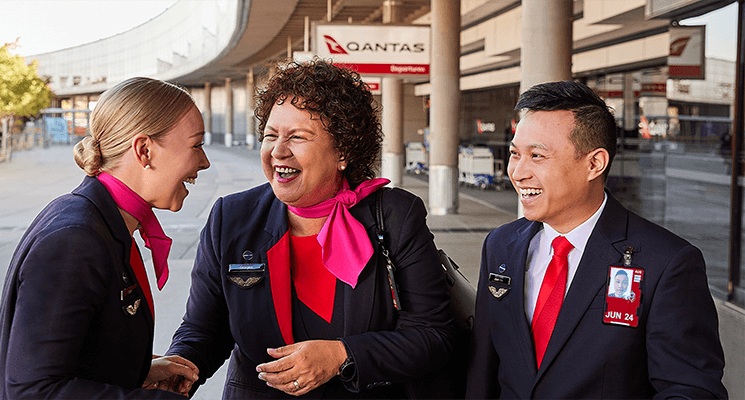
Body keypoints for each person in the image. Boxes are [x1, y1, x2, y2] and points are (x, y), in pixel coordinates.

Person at [166, 60, 455, 399]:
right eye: (271, 135)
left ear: (343, 150)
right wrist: (179, 367)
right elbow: (204, 328)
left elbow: (434, 335)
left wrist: (342, 355)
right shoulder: (232, 217)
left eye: (297, 137)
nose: (278, 151)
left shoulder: (395, 216)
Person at [466, 81, 726, 399]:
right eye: (515, 154)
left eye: (537, 156)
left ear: (594, 163)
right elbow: (483, 370)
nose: (518, 172)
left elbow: (690, 389)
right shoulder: (500, 245)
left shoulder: (667, 263)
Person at [0, 77, 209, 399]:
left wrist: (137, 370)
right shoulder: (75, 240)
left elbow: (75, 358)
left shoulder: (99, 219)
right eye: (196, 145)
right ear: (144, 150)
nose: (203, 162)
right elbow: (34, 390)